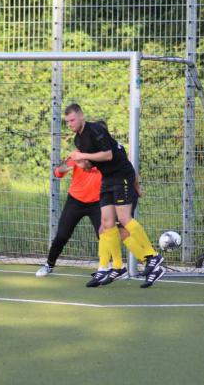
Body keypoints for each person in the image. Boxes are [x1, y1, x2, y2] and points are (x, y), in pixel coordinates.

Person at [65, 103, 165, 288]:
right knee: (106, 224)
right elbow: (90, 165)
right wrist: (80, 163)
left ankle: (152, 256)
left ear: (81, 116)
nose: (69, 124)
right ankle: (114, 267)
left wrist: (84, 155)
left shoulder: (95, 130)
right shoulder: (78, 141)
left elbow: (108, 155)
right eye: (67, 121)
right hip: (108, 179)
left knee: (124, 219)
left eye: (72, 120)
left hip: (121, 176)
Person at [35, 157, 102, 277]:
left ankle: (105, 268)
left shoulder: (103, 155)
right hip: (75, 202)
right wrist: (63, 168)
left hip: (97, 203)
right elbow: (57, 173)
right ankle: (49, 265)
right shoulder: (77, 156)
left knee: (104, 236)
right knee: (62, 235)